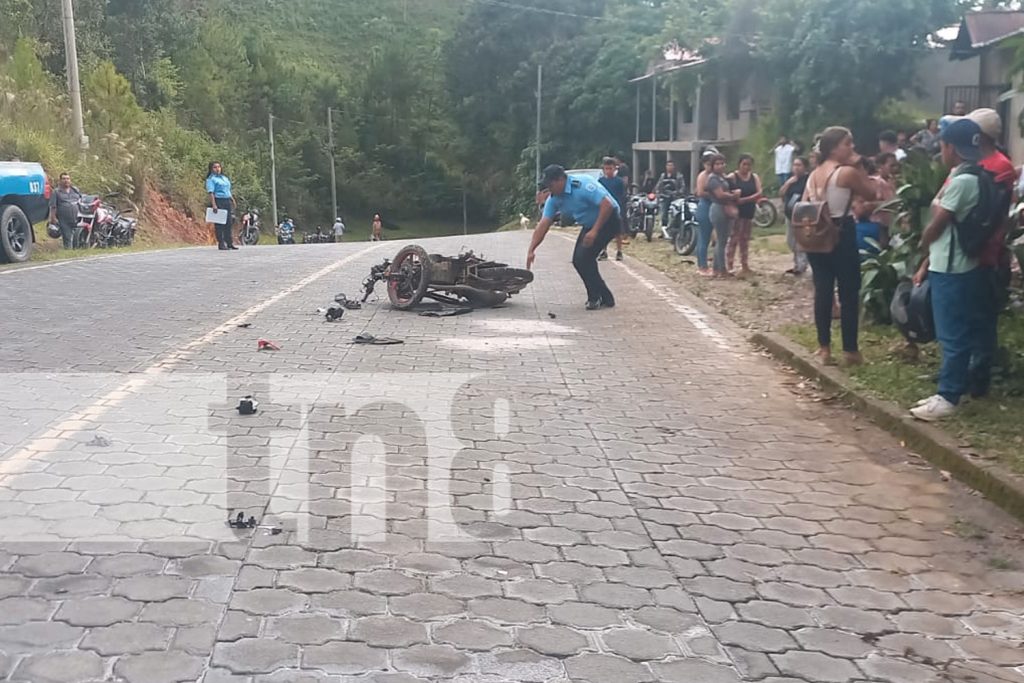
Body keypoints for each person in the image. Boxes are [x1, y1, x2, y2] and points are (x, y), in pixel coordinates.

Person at [910, 119, 992, 421]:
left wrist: (923, 241)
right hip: (952, 263)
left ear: (950, 148)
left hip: (953, 267)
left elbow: (940, 220)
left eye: (942, 146)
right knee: (953, 331)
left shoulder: (961, 182)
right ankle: (947, 388)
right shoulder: (970, 174)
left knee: (953, 334)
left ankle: (948, 396)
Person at [802, 126, 877, 366]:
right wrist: (860, 165)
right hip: (841, 231)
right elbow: (871, 191)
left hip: (815, 233)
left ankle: (824, 348)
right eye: (848, 143)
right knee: (848, 291)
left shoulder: (814, 174)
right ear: (835, 148)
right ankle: (850, 350)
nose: (852, 147)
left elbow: (805, 203)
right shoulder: (846, 173)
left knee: (822, 290)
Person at [528, 164, 621, 310]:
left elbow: (607, 205)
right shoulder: (554, 199)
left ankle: (595, 297)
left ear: (560, 180)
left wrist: (595, 231)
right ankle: (605, 297)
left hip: (609, 220)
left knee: (584, 258)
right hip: (590, 224)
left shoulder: (582, 185)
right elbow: (543, 224)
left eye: (550, 185)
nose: (549, 190)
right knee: (579, 260)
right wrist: (531, 250)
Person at [726, 154, 762, 276]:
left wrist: (746, 199)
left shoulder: (754, 177)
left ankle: (744, 264)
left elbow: (759, 192)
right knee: (734, 237)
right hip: (737, 211)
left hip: (748, 209)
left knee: (745, 238)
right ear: (739, 164)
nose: (746, 167)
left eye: (749, 165)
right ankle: (729, 263)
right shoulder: (733, 177)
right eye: (744, 164)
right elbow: (727, 191)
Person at [705, 154, 740, 278]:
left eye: (722, 163)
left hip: (725, 207)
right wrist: (733, 195)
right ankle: (722, 269)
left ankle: (716, 269)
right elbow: (719, 195)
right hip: (718, 208)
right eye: (717, 164)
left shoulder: (723, 178)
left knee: (723, 240)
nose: (720, 166)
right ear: (713, 166)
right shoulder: (713, 179)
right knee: (721, 240)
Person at [780, 157, 809, 275]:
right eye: (794, 165)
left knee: (801, 241)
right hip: (789, 214)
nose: (796, 168)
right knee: (791, 240)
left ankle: (801, 265)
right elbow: (781, 193)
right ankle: (797, 263)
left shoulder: (808, 179)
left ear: (805, 167)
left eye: (799, 165)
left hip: (801, 214)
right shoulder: (791, 180)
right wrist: (788, 183)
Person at [598, 157, 628, 262]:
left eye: (610, 168)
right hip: (604, 209)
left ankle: (619, 251)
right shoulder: (600, 181)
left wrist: (621, 209)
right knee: (602, 231)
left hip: (616, 208)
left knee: (617, 232)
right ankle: (603, 250)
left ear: (615, 169)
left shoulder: (619, 182)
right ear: (603, 169)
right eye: (606, 168)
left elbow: (622, 196)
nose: (608, 171)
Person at [694, 151, 716, 275]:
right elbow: (700, 192)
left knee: (713, 238)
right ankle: (702, 266)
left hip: (714, 206)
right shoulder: (703, 176)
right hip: (705, 206)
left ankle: (710, 264)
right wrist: (716, 195)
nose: (710, 167)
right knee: (704, 237)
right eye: (708, 164)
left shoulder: (715, 175)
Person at [206, 161, 236, 250]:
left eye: (219, 167)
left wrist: (232, 199)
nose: (217, 169)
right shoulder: (211, 179)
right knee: (219, 223)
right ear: (211, 169)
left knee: (229, 222)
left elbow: (228, 190)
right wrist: (214, 204)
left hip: (227, 200)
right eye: (215, 167)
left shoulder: (224, 178)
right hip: (218, 200)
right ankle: (221, 243)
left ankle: (229, 242)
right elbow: (211, 192)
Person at [48, 172, 83, 250]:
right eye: (64, 179)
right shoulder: (56, 192)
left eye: (68, 179)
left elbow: (81, 201)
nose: (66, 180)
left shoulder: (75, 190)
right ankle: (68, 253)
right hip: (63, 220)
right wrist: (53, 218)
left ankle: (76, 253)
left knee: (77, 238)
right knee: (67, 238)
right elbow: (53, 206)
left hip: (77, 219)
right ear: (60, 181)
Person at [655, 160, 685, 227]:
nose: (670, 167)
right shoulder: (663, 176)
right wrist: (658, 193)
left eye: (671, 165)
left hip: (675, 198)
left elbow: (682, 187)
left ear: (674, 167)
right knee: (664, 214)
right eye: (668, 165)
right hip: (665, 197)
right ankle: (664, 229)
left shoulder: (679, 176)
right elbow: (658, 186)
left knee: (676, 214)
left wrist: (678, 193)